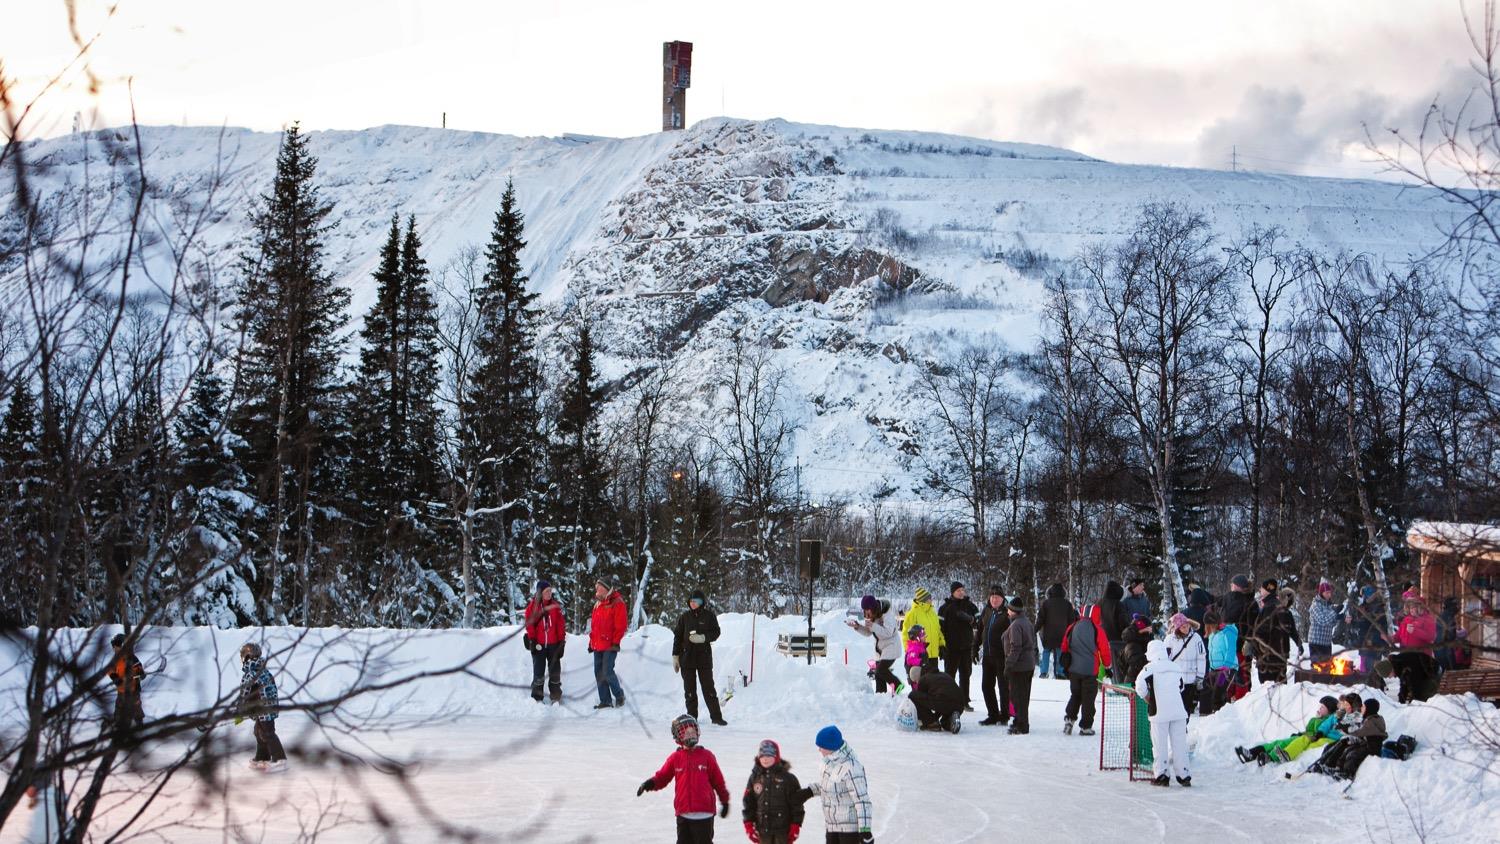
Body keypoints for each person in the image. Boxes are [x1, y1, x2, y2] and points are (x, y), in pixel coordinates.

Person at [637, 714, 731, 843]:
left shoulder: (707, 756)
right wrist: (650, 783)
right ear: (678, 736)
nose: (691, 735)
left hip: (704, 813)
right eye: (686, 733)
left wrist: (725, 801)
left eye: (693, 732)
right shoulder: (675, 758)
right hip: (683, 813)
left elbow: (718, 781)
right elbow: (663, 776)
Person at [799, 726, 873, 844]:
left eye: (821, 746)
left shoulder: (851, 767)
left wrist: (865, 830)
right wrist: (810, 791)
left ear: (831, 747)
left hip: (850, 830)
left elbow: (862, 800)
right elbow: (831, 786)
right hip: (832, 826)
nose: (819, 750)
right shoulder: (829, 762)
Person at [1135, 640, 1190, 787]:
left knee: (1160, 744)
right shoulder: (1175, 667)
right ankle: (1184, 774)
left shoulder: (1149, 668)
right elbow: (1181, 687)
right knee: (1179, 744)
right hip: (1179, 711)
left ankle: (1162, 774)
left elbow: (1139, 685)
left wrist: (1147, 697)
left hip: (1159, 712)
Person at [1236, 695, 1341, 765]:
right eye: (1320, 706)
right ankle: (1252, 753)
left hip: (1309, 739)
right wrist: (1300, 733)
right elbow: (1309, 730)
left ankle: (1270, 758)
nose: (1319, 709)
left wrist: (1317, 720)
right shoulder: (1316, 719)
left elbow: (1318, 732)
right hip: (1304, 737)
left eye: (1323, 707)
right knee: (1277, 742)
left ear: (1330, 711)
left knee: (1282, 744)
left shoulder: (1327, 720)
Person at [674, 589, 727, 726]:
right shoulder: (684, 617)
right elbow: (678, 637)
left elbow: (716, 632)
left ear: (702, 602)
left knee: (709, 688)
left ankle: (716, 717)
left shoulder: (709, 616)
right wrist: (675, 656)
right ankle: (692, 718)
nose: (693, 604)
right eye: (691, 601)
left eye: (696, 601)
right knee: (689, 691)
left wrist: (703, 638)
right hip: (687, 658)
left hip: (704, 658)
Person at [741, 739, 804, 844]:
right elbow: (748, 803)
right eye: (763, 756)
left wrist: (795, 825)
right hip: (762, 830)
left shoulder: (788, 778)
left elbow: (797, 804)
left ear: (776, 757)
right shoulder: (754, 778)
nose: (765, 759)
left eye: (769, 756)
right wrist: (748, 824)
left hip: (783, 831)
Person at [1307, 698, 1387, 781]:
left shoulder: (1372, 720)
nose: (1361, 709)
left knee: (1351, 753)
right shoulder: (1365, 718)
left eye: (1364, 707)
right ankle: (1325, 764)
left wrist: (1347, 731)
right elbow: (1359, 733)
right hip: (1362, 743)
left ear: (1369, 709)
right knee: (1334, 746)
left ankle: (1346, 772)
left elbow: (1360, 732)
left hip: (1370, 747)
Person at [1061, 604, 1110, 736]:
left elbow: (1064, 645)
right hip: (1090, 670)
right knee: (1088, 699)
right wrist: (1107, 665)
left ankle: (1069, 720)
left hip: (1074, 670)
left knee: (1075, 695)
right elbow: (1104, 649)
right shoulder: (1097, 629)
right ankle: (1086, 727)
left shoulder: (1073, 626)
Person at [238, 642, 286, 772]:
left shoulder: (250, 674)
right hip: (268, 708)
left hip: (263, 709)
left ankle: (280, 758)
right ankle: (262, 757)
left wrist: (240, 711)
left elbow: (244, 694)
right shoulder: (264, 671)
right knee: (259, 732)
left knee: (268, 733)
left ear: (246, 657)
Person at [973, 586, 1011, 727]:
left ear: (1002, 599)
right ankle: (993, 714)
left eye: (997, 597)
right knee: (986, 686)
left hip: (1001, 656)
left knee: (1003, 687)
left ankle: (1004, 715)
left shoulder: (1007, 614)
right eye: (992, 597)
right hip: (988, 656)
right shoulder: (987, 611)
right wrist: (975, 647)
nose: (994, 599)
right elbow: (980, 631)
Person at [523, 580, 566, 704]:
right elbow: (529, 624)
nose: (549, 593)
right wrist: (532, 639)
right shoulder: (533, 607)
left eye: (550, 591)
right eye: (546, 591)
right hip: (539, 644)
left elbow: (560, 625)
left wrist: (561, 642)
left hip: (553, 644)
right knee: (539, 672)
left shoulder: (555, 606)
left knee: (555, 672)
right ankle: (537, 697)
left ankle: (556, 696)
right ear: (540, 593)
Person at [937, 582, 978, 709]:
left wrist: (970, 619)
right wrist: (941, 646)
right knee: (949, 676)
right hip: (951, 648)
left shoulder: (970, 606)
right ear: (952, 592)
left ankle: (964, 701)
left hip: (966, 647)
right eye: (958, 590)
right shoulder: (944, 608)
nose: (961, 592)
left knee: (965, 675)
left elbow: (979, 623)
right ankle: (949, 701)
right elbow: (940, 628)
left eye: (962, 590)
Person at [849, 596, 902, 693]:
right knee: (878, 675)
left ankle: (898, 685)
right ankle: (880, 695)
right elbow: (868, 633)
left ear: (873, 607)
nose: (866, 613)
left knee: (880, 670)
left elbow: (888, 632)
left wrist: (873, 626)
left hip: (891, 646)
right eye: (864, 610)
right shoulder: (871, 615)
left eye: (867, 610)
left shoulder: (886, 613)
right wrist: (858, 627)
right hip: (880, 650)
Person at [589, 578, 628, 709]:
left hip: (610, 644)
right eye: (596, 587)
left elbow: (621, 625)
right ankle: (605, 701)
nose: (596, 590)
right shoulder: (598, 604)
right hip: (597, 645)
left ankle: (619, 695)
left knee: (607, 671)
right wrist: (591, 642)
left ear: (606, 589)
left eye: (599, 587)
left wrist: (616, 642)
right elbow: (594, 626)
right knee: (598, 672)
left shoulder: (617, 602)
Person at [1001, 596, 1037, 734]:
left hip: (1019, 666)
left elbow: (1016, 647)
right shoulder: (1026, 621)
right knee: (1023, 695)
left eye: (1009, 610)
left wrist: (1008, 665)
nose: (1007, 612)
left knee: (1018, 697)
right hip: (1028, 664)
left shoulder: (1016, 625)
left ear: (1013, 611)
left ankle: (1022, 725)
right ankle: (1019, 720)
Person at [1163, 613, 1205, 717]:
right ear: (1177, 628)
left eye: (1187, 625)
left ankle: (1184, 727)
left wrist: (1200, 676)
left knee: (1187, 708)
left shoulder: (1196, 638)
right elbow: (1165, 659)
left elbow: (1201, 657)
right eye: (1182, 627)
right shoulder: (1169, 639)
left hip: (1191, 680)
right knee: (1176, 707)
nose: (1186, 628)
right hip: (1175, 680)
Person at [1035, 583, 1075, 680]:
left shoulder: (1046, 603)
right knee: (1060, 653)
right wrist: (1071, 634)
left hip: (1048, 635)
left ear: (1051, 592)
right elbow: (1071, 621)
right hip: (1062, 635)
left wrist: (1034, 629)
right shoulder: (1067, 604)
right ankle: (1060, 672)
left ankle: (1044, 672)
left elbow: (1041, 619)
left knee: (1046, 652)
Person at [1202, 610, 1239, 713]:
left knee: (1218, 693)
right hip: (1214, 669)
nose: (1207, 627)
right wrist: (1211, 667)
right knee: (1216, 693)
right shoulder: (1212, 634)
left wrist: (1226, 666)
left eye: (1209, 624)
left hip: (1226, 669)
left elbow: (1231, 650)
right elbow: (1211, 651)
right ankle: (1223, 717)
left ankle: (1220, 716)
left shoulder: (1228, 632)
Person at [907, 668, 965, 733]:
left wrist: (932, 720)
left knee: (913, 695)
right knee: (944, 723)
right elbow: (937, 699)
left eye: (915, 681)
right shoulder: (943, 674)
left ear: (917, 677)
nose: (916, 683)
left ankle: (931, 723)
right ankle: (952, 718)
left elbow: (923, 702)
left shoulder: (923, 679)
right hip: (959, 705)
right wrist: (936, 717)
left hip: (944, 701)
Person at [107, 633, 146, 728]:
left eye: (116, 646)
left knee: (136, 705)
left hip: (134, 687)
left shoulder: (132, 658)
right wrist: (115, 678)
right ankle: (117, 722)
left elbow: (139, 667)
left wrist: (141, 673)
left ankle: (139, 721)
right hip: (121, 688)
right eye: (113, 647)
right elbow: (110, 670)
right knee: (119, 706)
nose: (114, 649)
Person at [901, 587, 943, 673]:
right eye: (929, 598)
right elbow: (906, 634)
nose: (931, 600)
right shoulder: (912, 614)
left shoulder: (933, 613)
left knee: (934, 682)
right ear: (923, 600)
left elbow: (938, 631)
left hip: (933, 655)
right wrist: (909, 650)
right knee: (922, 682)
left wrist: (942, 645)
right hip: (920, 655)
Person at [1349, 586, 1388, 675]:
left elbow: (1372, 625)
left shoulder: (1376, 608)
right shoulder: (1367, 607)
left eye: (1363, 595)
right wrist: (1353, 622)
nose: (1362, 598)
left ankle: (1373, 684)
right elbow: (1363, 624)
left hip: (1372, 644)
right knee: (1365, 667)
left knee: (1371, 669)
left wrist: (1371, 639)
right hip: (1366, 643)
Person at [1098, 580, 1130, 683]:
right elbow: (1123, 622)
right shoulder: (1118, 604)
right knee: (1118, 667)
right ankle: (1118, 686)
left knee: (1102, 664)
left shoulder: (1099, 603)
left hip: (1101, 639)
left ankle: (1100, 683)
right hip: (1117, 640)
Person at [1307, 581, 1340, 664]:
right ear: (1322, 593)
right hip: (1316, 642)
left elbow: (1331, 624)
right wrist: (1334, 613)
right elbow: (1322, 621)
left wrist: (1339, 617)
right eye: (1327, 593)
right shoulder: (1315, 605)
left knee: (1327, 669)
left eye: (1330, 593)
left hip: (1327, 643)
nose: (1329, 595)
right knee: (1317, 668)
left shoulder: (1329, 606)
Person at [1118, 615, 1152, 683]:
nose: (1150, 630)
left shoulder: (1141, 641)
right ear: (1142, 629)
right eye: (1148, 628)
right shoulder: (1132, 645)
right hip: (1133, 683)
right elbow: (1138, 663)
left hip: (1139, 681)